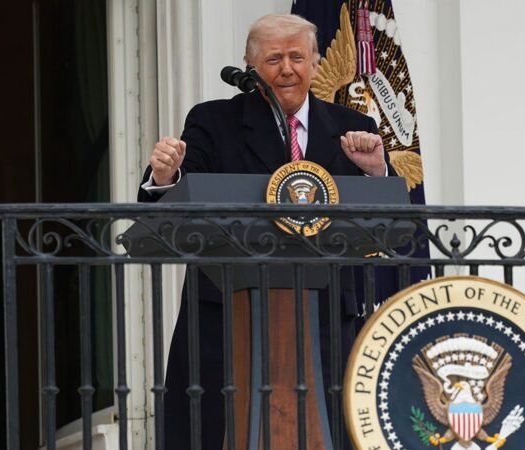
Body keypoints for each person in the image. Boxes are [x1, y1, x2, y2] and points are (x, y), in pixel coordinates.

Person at [138, 13, 395, 449]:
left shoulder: (354, 128)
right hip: (226, 314)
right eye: (274, 59)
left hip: (325, 318)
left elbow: (387, 228)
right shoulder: (213, 121)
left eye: (297, 57)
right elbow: (169, 206)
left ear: (315, 63)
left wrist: (375, 173)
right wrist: (166, 175)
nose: (287, 69)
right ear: (250, 66)